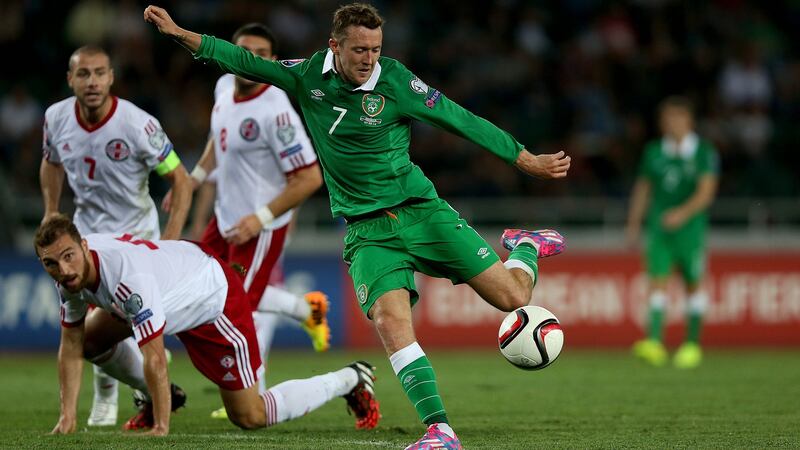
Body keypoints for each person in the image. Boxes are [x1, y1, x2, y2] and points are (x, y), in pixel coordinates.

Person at [144, 4, 569, 448]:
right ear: (335, 46)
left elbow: (460, 119)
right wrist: (179, 33)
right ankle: (440, 431)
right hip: (368, 232)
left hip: (421, 212)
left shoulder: (397, 81)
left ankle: (525, 246)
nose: (370, 58)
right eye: (361, 49)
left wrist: (524, 158)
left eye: (376, 49)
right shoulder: (308, 76)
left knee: (514, 298)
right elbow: (243, 61)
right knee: (391, 322)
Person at [36, 214, 380, 436]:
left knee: (249, 415)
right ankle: (162, 397)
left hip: (213, 302)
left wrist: (162, 428)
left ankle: (350, 378)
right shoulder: (71, 273)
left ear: (83, 245)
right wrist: (67, 419)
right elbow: (70, 344)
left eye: (68, 257)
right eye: (52, 263)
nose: (63, 270)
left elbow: (156, 357)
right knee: (90, 342)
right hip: (170, 288)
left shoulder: (128, 281)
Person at [177, 23, 330, 419]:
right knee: (207, 291)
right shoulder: (225, 86)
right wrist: (193, 179)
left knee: (235, 308)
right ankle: (305, 310)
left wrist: (262, 217)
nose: (250, 60)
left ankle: (251, 395)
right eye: (244, 51)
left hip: (258, 227)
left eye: (261, 54)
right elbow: (217, 137)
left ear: (273, 61)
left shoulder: (277, 110)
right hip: (224, 218)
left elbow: (310, 176)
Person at [39, 45, 193, 427]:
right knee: (88, 320)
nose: (92, 82)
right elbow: (51, 162)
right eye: (83, 74)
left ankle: (129, 392)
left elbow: (180, 177)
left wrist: (169, 242)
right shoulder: (55, 117)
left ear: (111, 78)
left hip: (136, 236)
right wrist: (50, 210)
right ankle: (109, 398)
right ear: (70, 79)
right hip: (86, 234)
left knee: (113, 321)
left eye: (99, 73)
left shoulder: (138, 124)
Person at [626, 96, 719, 369]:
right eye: (667, 118)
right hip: (659, 230)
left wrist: (682, 213)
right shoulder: (654, 151)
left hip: (691, 231)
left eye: (677, 117)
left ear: (689, 121)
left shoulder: (703, 152)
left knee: (693, 284)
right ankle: (654, 342)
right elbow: (643, 188)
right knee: (657, 281)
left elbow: (706, 192)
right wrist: (633, 223)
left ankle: (692, 345)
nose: (672, 123)